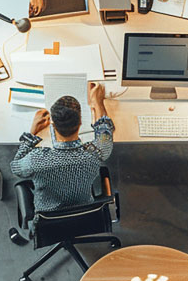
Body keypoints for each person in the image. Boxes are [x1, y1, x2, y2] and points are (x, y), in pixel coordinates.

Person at [10, 82, 113, 213]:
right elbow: (105, 131)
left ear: (53, 124)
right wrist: (97, 102)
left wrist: (31, 134)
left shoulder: (36, 160)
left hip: (47, 219)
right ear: (81, 122)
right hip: (84, 214)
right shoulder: (96, 152)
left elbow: (16, 168)